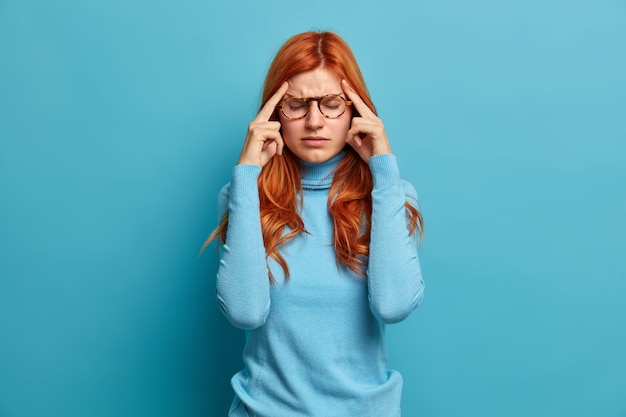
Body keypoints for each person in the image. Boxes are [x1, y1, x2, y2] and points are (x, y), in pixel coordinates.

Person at [205, 31, 425, 417]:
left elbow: (393, 306)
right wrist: (246, 176)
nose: (314, 121)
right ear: (274, 113)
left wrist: (384, 171)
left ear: (356, 109)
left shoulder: (391, 194)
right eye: (296, 104)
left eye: (331, 104)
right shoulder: (242, 196)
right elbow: (244, 311)